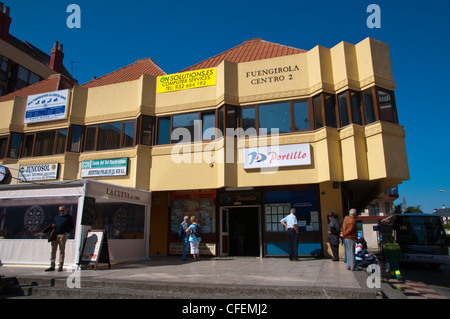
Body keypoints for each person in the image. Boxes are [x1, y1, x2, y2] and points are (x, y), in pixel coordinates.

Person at [45, 205, 74, 272]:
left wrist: (67, 232)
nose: (61, 212)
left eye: (62, 210)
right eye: (60, 211)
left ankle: (60, 266)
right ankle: (52, 265)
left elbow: (72, 226)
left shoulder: (68, 217)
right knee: (53, 251)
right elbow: (54, 223)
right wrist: (53, 226)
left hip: (63, 235)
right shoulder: (57, 217)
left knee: (61, 250)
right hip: (55, 235)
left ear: (65, 210)